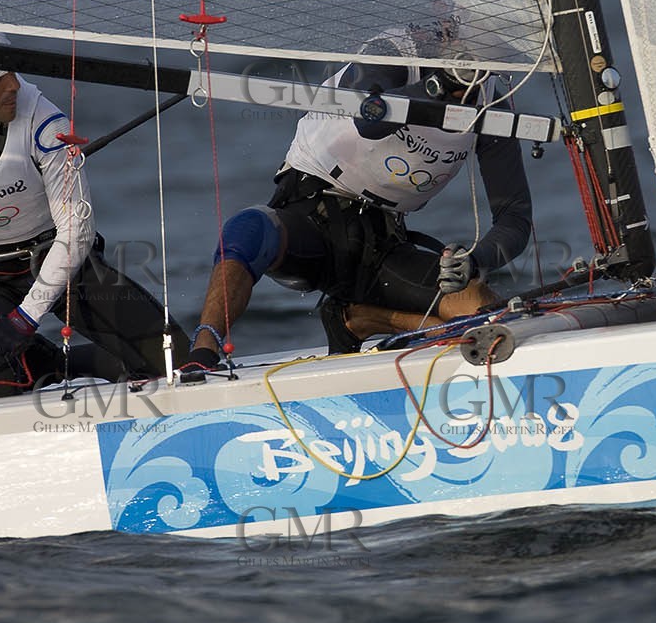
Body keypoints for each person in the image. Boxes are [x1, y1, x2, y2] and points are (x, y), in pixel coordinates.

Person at [186, 21, 534, 372]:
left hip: (381, 246)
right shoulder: (393, 53)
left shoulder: (494, 105)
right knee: (249, 230)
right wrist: (438, 87)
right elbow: (369, 119)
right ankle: (202, 354)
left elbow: (514, 219)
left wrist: (475, 260)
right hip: (312, 215)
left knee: (485, 316)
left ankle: (359, 318)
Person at [0, 26, 188, 400]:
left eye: (11, 71)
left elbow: (76, 234)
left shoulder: (47, 126)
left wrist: (26, 318)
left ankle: (90, 361)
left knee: (181, 363)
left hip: (59, 260)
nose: (12, 86)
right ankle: (46, 362)